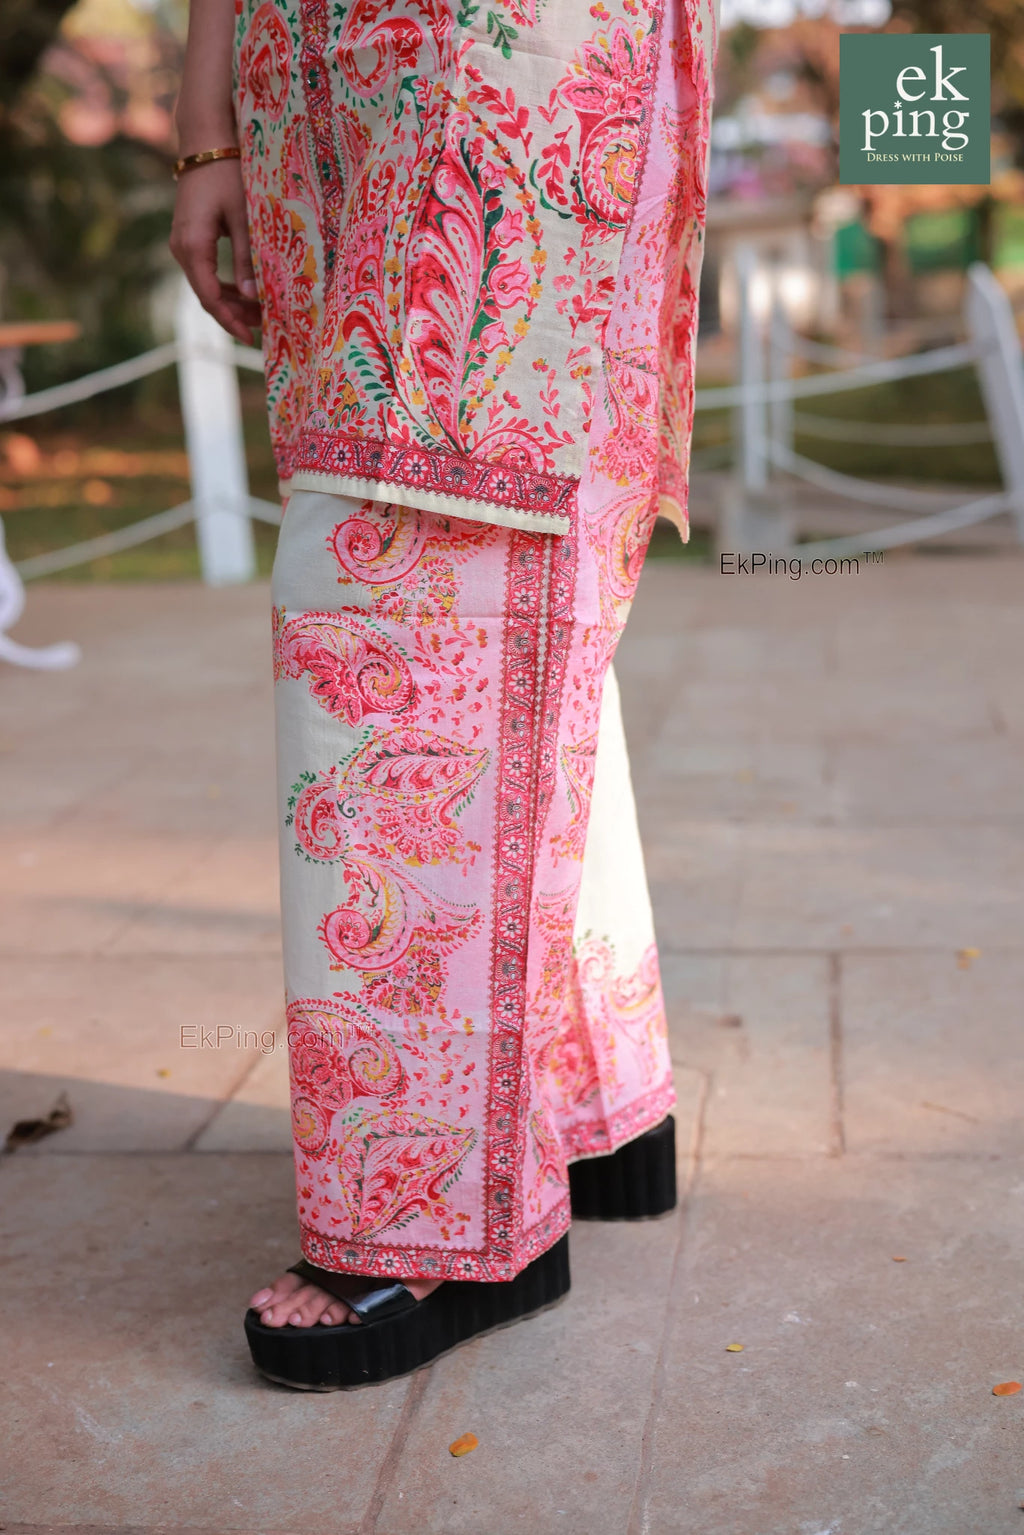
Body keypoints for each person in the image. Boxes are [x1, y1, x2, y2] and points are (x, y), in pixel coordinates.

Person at [171, 0, 716, 1390]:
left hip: (493, 56)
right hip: (322, 83)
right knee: (484, 588)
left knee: (406, 581)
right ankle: (591, 1105)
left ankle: (441, 1214)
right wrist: (206, 122)